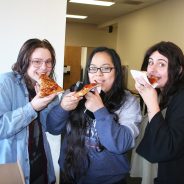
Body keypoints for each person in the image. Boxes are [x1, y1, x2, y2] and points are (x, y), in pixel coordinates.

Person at [46, 47, 142, 184]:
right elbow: (52, 128)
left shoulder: (128, 101)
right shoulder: (74, 91)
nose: (98, 74)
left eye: (105, 68)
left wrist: (99, 110)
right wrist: (62, 108)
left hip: (109, 180)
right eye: (93, 68)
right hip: (70, 176)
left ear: (117, 72)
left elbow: (121, 144)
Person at [0, 38, 60, 184]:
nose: (44, 67)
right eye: (37, 61)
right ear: (25, 61)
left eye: (48, 62)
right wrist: (32, 108)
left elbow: (53, 128)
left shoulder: (49, 86)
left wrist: (63, 107)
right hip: (13, 164)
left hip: (40, 162)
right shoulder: (6, 82)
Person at [133, 41, 184, 184]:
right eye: (150, 63)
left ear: (178, 70)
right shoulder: (161, 93)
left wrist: (152, 104)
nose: (152, 70)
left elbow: (168, 147)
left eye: (161, 64)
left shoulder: (181, 96)